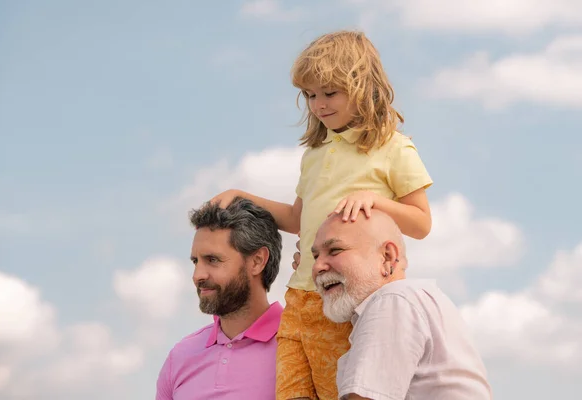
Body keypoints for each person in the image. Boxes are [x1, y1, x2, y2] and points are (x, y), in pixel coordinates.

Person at [210, 30, 433, 400]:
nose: (319, 105)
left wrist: (373, 200)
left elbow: (421, 223)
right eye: (310, 95)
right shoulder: (314, 154)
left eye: (330, 93)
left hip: (345, 299)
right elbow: (298, 220)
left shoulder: (393, 148)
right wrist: (240, 195)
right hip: (299, 300)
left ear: (361, 87)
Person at [310, 210, 492, 400]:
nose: (317, 267)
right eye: (315, 257)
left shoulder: (392, 300)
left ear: (387, 256)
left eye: (335, 250)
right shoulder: (416, 299)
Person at [155, 197, 284, 400]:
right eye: (196, 261)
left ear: (257, 261)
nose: (197, 275)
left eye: (212, 260)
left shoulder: (301, 344)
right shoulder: (180, 356)